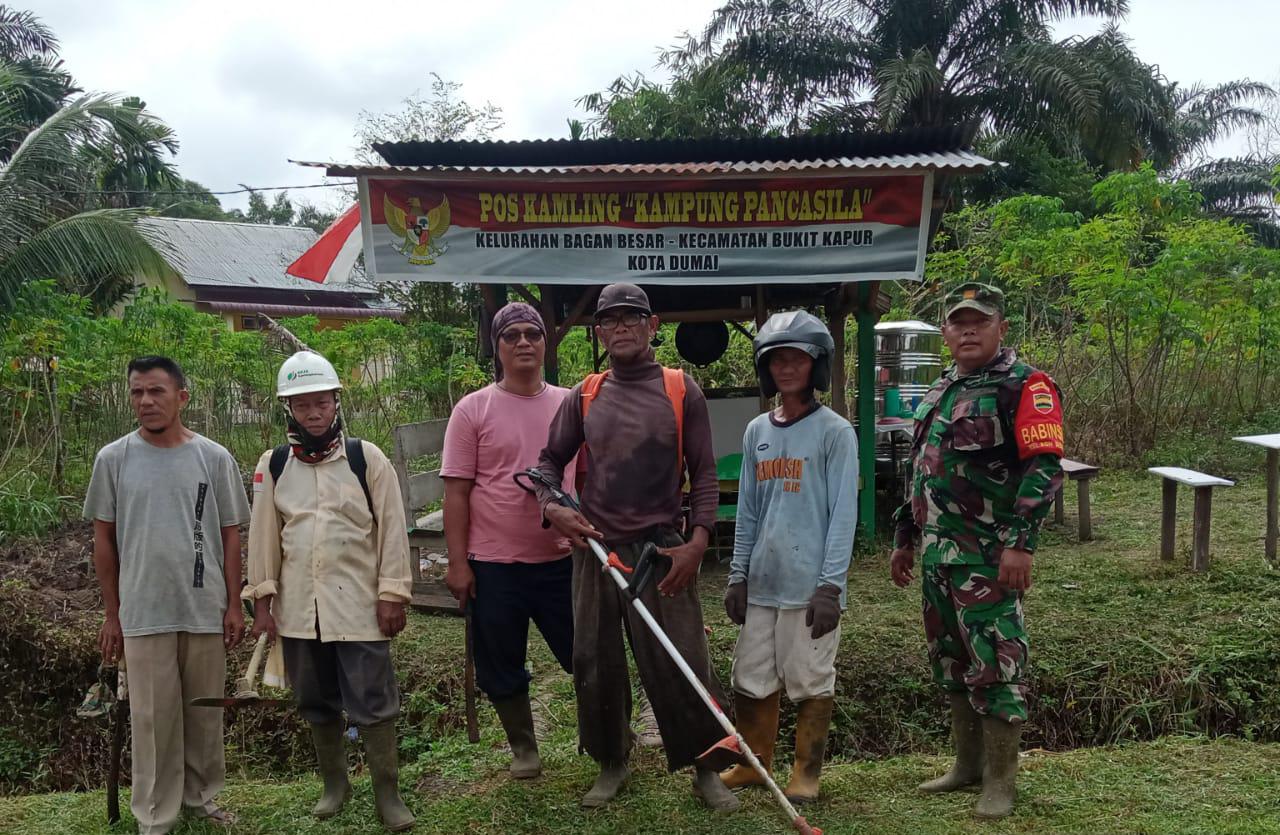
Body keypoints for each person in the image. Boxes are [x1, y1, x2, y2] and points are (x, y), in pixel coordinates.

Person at [534, 282, 739, 812]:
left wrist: (697, 543)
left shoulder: (680, 388)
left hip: (663, 550)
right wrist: (553, 507)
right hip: (598, 549)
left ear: (653, 326)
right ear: (599, 333)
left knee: (687, 660)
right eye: (610, 321)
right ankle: (611, 761)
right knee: (594, 659)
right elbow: (547, 465)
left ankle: (708, 768)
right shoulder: (585, 394)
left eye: (632, 318)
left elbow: (706, 474)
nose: (621, 327)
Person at [889, 282, 1064, 819]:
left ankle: (1001, 784)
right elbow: (922, 468)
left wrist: (1020, 544)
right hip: (939, 555)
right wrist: (905, 536)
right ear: (945, 333)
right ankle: (967, 766)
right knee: (952, 660)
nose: (968, 329)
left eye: (979, 321)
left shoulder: (1025, 386)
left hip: (989, 556)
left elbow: (1044, 467)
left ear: (1000, 328)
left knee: (996, 663)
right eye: (958, 322)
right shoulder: (944, 387)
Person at [242, 351, 415, 832]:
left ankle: (388, 793)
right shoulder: (274, 465)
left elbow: (393, 531)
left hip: (358, 605)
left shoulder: (366, 458)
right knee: (315, 700)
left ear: (336, 402)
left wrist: (393, 594)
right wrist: (263, 602)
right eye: (302, 406)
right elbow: (263, 538)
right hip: (299, 609)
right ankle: (335, 784)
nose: (313, 413)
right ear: (289, 411)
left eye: (321, 403)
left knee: (374, 700)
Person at [86, 356, 250, 834]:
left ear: (182, 396)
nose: (145, 401)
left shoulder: (213, 458)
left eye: (156, 391)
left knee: (203, 713)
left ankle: (202, 800)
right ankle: (156, 814)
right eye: (137, 392)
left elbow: (232, 534)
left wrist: (234, 602)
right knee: (153, 719)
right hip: (144, 611)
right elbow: (104, 541)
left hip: (204, 608)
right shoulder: (113, 459)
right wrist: (112, 615)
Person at [720, 311, 858, 803]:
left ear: (816, 365)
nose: (786, 367)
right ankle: (755, 764)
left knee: (808, 678)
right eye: (776, 359)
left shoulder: (835, 432)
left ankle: (806, 773)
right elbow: (749, 510)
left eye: (796, 358)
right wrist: (738, 575)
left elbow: (844, 514)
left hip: (809, 585)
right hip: (763, 581)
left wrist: (830, 587)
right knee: (751, 676)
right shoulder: (757, 430)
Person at [440, 301, 576, 779]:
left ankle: (604, 738)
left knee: (588, 653)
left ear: (546, 343)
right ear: (496, 346)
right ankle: (524, 748)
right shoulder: (472, 409)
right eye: (512, 335)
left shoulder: (570, 403)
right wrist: (458, 564)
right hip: (494, 563)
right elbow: (456, 492)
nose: (524, 342)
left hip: (564, 558)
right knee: (500, 662)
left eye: (533, 334)